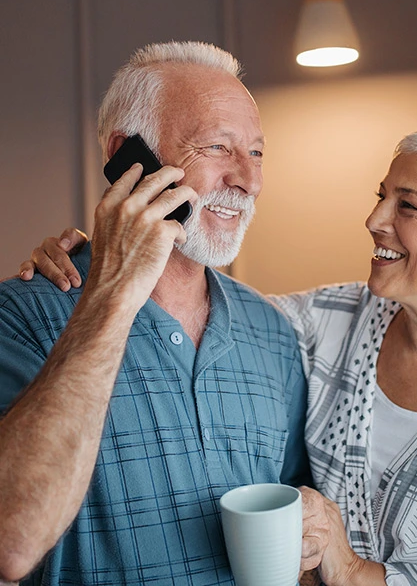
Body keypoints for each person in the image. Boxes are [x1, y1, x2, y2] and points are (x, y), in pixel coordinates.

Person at [22, 125, 417, 585]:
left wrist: (357, 571)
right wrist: (101, 253)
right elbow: (194, 305)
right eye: (381, 194)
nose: (375, 219)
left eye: (407, 205)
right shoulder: (329, 321)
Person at [0, 41, 327, 586]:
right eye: (218, 147)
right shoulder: (20, 316)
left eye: (258, 152)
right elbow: (9, 544)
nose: (248, 179)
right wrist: (110, 296)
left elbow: (295, 505)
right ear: (129, 155)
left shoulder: (271, 331)